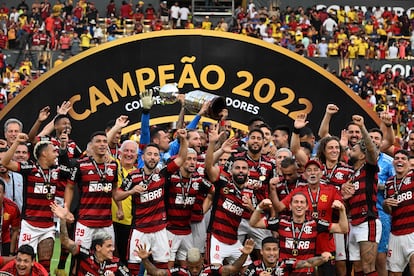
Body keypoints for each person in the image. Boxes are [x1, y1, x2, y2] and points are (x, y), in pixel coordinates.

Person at [113, 129, 188, 274]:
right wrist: (131, 191)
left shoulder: (162, 173)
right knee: (133, 270)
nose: (153, 158)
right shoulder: (134, 176)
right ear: (143, 157)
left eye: (156, 155)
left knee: (162, 270)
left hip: (160, 230)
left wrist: (184, 140)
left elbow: (181, 158)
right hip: (139, 230)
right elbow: (117, 195)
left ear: (159, 158)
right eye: (149, 154)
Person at [1, 133, 69, 272]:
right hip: (29, 225)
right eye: (53, 151)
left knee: (45, 266)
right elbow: (5, 163)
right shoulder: (30, 168)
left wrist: (66, 207)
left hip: (48, 226)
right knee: (23, 265)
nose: (56, 155)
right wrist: (16, 143)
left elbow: (71, 184)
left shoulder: (57, 171)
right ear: (44, 153)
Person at [250, 193, 348, 275]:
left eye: (302, 202)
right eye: (296, 202)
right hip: (284, 272)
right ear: (290, 206)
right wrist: (259, 208)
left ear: (307, 207)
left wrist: (342, 210)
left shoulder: (315, 223)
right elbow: (254, 223)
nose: (299, 205)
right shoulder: (281, 222)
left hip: (306, 272)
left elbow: (343, 229)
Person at [64, 131, 118, 249]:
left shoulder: (113, 165)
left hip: (106, 222)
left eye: (105, 141)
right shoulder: (80, 165)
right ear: (91, 145)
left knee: (107, 256)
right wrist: (66, 209)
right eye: (98, 141)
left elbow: (115, 188)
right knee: (81, 256)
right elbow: (69, 186)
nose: (102, 144)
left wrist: (120, 208)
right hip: (85, 221)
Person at [342, 115, 381, 276]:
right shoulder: (351, 176)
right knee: (357, 268)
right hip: (354, 223)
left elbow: (371, 150)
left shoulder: (369, 169)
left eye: (354, 149)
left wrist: (363, 128)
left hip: (368, 221)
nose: (350, 151)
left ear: (362, 155)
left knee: (368, 267)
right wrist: (344, 197)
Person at [50, 202, 130, 275]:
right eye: (108, 246)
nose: (112, 249)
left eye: (112, 246)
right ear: (98, 247)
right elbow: (65, 241)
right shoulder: (85, 255)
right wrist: (62, 220)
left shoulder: (116, 264)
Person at [136, 238, 254, 276]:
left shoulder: (211, 270)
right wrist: (144, 259)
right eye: (191, 267)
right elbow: (156, 272)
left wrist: (245, 254)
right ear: (186, 262)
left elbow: (233, 268)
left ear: (202, 260)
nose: (194, 270)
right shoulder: (180, 272)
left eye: (197, 266)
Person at [383, 150, 414, 275]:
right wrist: (385, 204)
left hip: (412, 230)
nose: (399, 160)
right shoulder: (389, 183)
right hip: (395, 232)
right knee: (394, 272)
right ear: (393, 162)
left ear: (408, 162)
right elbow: (388, 211)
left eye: (403, 158)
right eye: (396, 158)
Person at [244, 236, 332, 276]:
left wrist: (322, 258)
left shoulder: (285, 263)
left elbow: (307, 263)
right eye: (268, 249)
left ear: (278, 251)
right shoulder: (254, 266)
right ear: (261, 251)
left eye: (274, 249)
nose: (271, 253)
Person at [0, 179, 20, 256]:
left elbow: (15, 230)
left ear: (4, 193)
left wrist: (11, 253)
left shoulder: (12, 208)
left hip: (4, 239)